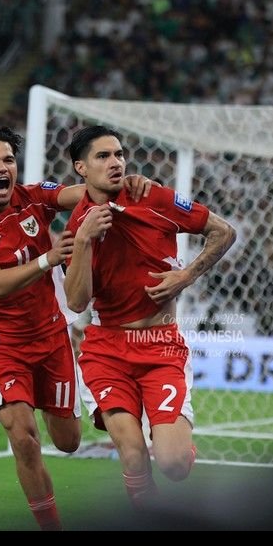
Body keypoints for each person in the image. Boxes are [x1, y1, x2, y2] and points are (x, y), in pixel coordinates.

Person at [0, 122, 150, 530]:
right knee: (22, 437)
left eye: (8, 159)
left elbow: (82, 192)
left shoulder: (33, 197)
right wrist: (48, 259)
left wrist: (125, 183)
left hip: (52, 336)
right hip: (0, 343)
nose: (3, 168)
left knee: (68, 442)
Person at [63, 125, 236, 512]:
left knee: (173, 464)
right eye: (103, 156)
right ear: (81, 168)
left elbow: (223, 231)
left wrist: (185, 276)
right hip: (106, 350)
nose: (116, 162)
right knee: (133, 455)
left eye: (119, 154)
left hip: (159, 346)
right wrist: (84, 240)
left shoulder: (152, 196)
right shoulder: (78, 226)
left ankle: (177, 450)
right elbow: (76, 302)